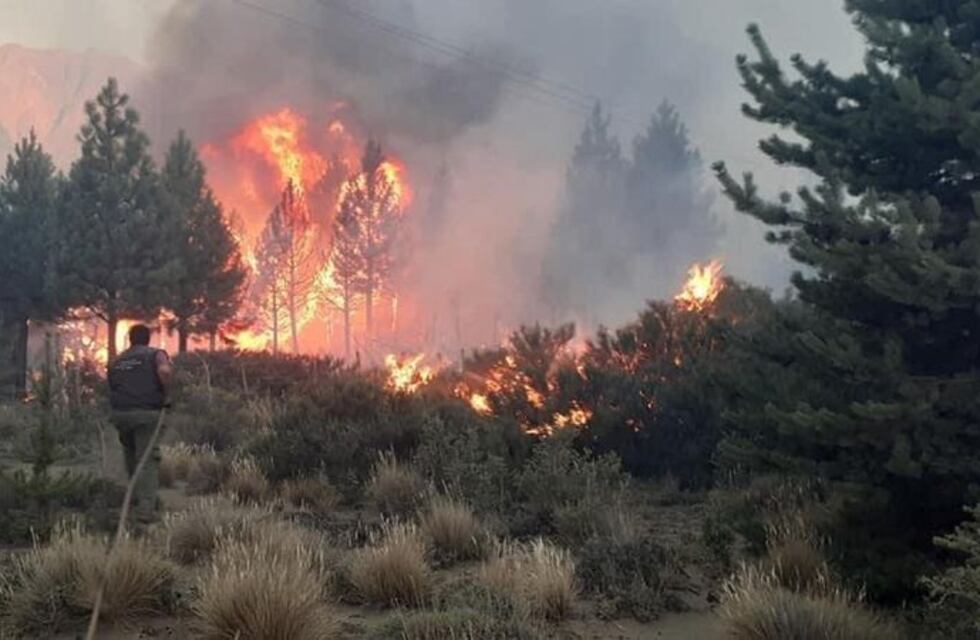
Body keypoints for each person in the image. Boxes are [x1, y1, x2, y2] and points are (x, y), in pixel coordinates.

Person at [107, 324, 173, 522]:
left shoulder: (116, 360)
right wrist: (167, 395)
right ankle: (146, 511)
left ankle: (137, 499)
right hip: (147, 414)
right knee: (147, 460)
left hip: (121, 415)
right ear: (148, 339)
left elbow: (111, 385)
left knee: (131, 457)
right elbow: (165, 372)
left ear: (130, 339)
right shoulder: (156, 354)